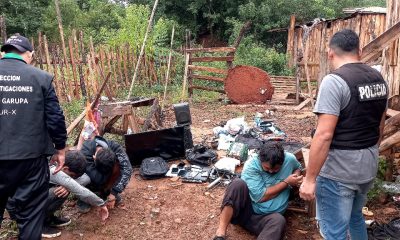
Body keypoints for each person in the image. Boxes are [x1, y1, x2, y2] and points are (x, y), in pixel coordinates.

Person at [300, 29, 388, 240]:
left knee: (334, 232)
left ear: (330, 53)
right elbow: (380, 126)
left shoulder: (335, 81)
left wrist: (310, 179)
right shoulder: (378, 79)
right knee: (355, 217)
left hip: (339, 172)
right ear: (359, 50)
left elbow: (324, 135)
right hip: (367, 166)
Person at [0, 35, 67, 240]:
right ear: (29, 54)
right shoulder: (41, 78)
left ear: (5, 52)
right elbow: (55, 118)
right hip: (31, 159)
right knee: (30, 216)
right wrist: (60, 149)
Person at [7, 150, 109, 238]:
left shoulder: (57, 161)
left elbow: (86, 178)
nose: (72, 179)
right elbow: (81, 192)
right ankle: (37, 225)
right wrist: (101, 204)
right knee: (57, 192)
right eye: (72, 176)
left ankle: (47, 218)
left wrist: (67, 186)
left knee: (63, 189)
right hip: (19, 208)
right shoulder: (54, 171)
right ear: (65, 168)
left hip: (28, 198)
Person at [213, 143, 303, 240]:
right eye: (267, 168)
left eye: (276, 169)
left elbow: (297, 167)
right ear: (260, 159)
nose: (271, 171)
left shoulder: (289, 159)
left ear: (283, 161)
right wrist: (286, 182)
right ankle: (220, 233)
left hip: (265, 219)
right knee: (237, 184)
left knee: (279, 221)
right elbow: (261, 197)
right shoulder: (251, 166)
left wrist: (296, 176)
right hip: (247, 211)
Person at [78, 136, 132, 211]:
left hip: (104, 176)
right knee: (85, 177)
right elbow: (96, 177)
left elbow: (127, 168)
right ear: (94, 158)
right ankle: (84, 197)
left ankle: (105, 192)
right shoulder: (86, 151)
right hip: (90, 176)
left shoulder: (115, 148)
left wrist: (114, 192)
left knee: (118, 166)